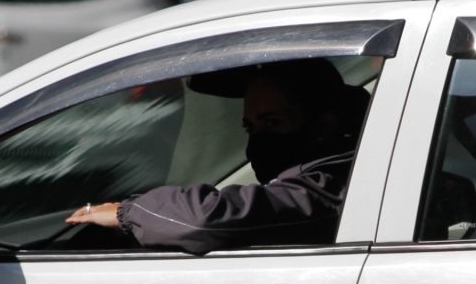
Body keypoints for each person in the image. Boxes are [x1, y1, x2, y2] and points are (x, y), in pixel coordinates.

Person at [65, 58, 369, 254]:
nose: (258, 139)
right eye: (250, 126)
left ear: (323, 127)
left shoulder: (329, 185)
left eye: (271, 122)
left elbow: (207, 220)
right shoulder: (323, 173)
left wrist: (127, 213)